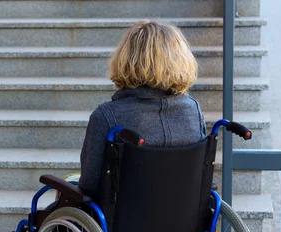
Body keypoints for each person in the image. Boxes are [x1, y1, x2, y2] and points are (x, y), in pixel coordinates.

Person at [78, 19, 207, 197]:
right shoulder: (193, 111)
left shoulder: (107, 116)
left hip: (123, 221)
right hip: (183, 219)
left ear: (126, 60)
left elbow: (89, 184)